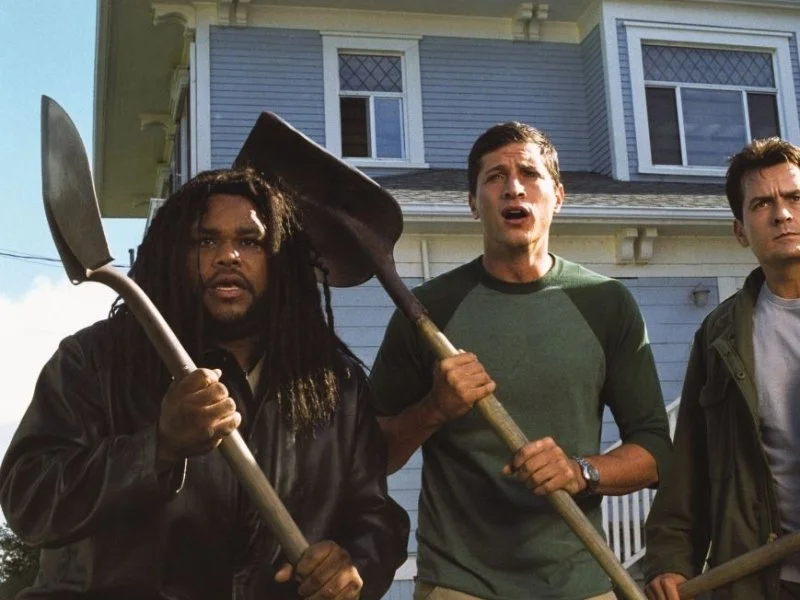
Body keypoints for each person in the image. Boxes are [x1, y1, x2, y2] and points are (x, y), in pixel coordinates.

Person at [0, 168, 409, 600]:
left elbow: (375, 518)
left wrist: (354, 563)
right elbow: (30, 500)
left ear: (280, 261)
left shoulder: (334, 386)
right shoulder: (97, 360)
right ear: (174, 255)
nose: (227, 256)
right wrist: (157, 448)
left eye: (249, 242)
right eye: (206, 240)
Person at [369, 122, 672, 600]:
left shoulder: (605, 303)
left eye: (530, 174)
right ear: (473, 203)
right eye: (495, 177)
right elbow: (372, 456)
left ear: (558, 196)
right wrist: (434, 409)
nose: (514, 187)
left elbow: (654, 451)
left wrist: (581, 472)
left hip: (581, 582)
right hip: (460, 584)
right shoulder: (428, 311)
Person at [643, 138, 800, 600]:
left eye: (795, 198)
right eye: (762, 204)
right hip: (762, 580)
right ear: (740, 230)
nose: (782, 214)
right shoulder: (720, 335)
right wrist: (671, 559)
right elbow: (689, 463)